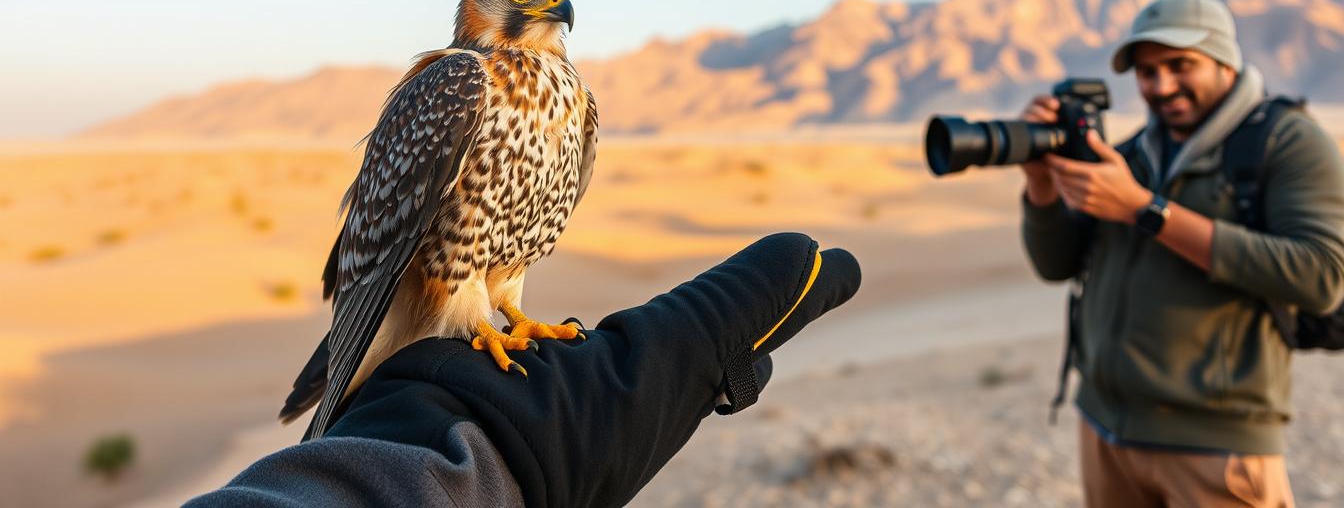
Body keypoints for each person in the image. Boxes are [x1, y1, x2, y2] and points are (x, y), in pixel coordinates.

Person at [186, 232, 860, 507]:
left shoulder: (577, 108)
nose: (552, 11)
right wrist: (498, 453)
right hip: (428, 296)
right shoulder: (459, 84)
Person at [1020, 0, 1344, 507]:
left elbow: (1321, 276)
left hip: (1216, 446)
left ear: (1224, 61)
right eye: (1147, 72)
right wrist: (1040, 185)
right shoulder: (1132, 153)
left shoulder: (1288, 142)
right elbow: (1056, 265)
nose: (1161, 85)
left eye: (1180, 65)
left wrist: (1145, 209)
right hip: (1105, 430)